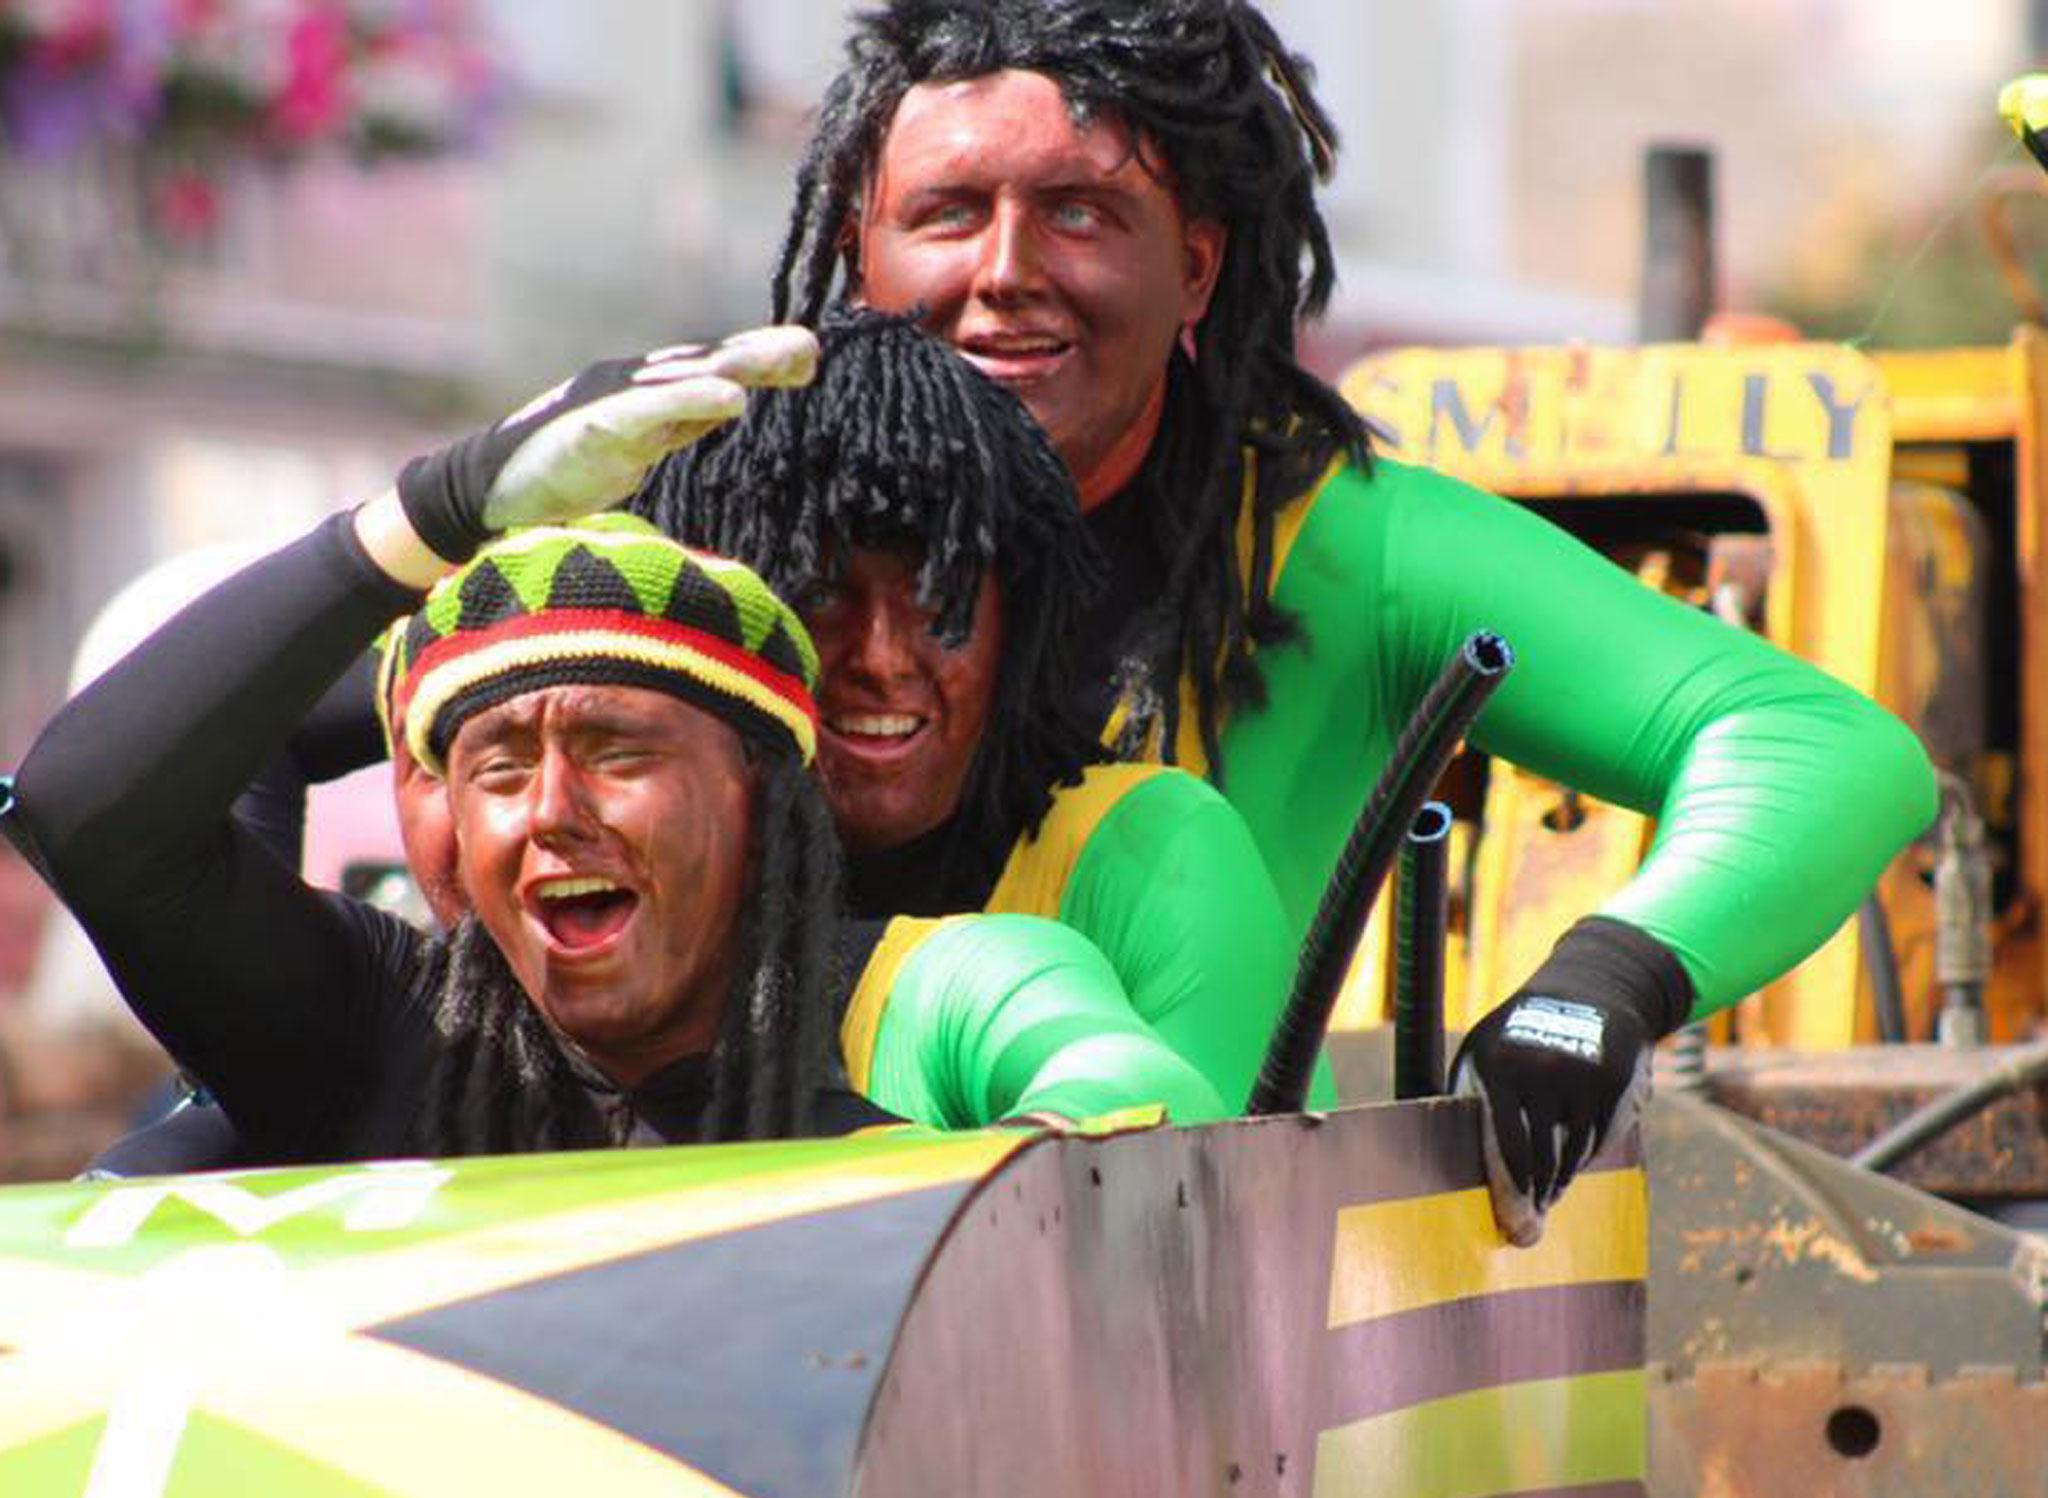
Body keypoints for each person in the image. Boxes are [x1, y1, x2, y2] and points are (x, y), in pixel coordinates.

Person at [771, 0, 1938, 1240]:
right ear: (858, 251)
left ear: (1197, 266)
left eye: (1079, 211)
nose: (1005, 269)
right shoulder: (734, 509)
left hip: (1221, 1297)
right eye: (948, 213)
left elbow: (1822, 751)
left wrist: (1602, 982)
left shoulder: (1333, 542)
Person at [12, 333, 1222, 1166]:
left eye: (615, 749)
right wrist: (433, 508)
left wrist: (941, 1198)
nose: (551, 809)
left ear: (760, 796)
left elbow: (1140, 1105)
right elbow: (83, 808)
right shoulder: (383, 1026)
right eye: (496, 768)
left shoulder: (920, 988)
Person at [638, 304, 1327, 1111]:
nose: (883, 660)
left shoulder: (1156, 854)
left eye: (939, 596)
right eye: (821, 595)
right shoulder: (647, 862)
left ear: (1022, 618)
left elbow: (1205, 1203)